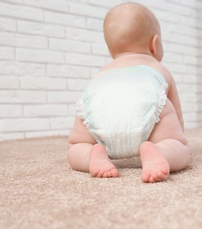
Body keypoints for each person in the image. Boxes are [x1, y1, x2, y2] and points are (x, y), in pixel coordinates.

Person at [67, 2, 190, 183]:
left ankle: (91, 155)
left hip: (98, 106)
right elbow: (176, 115)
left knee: (75, 146)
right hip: (144, 104)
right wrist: (177, 139)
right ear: (154, 44)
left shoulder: (103, 71)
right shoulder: (157, 67)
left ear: (111, 49)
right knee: (179, 147)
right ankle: (160, 152)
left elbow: (88, 101)